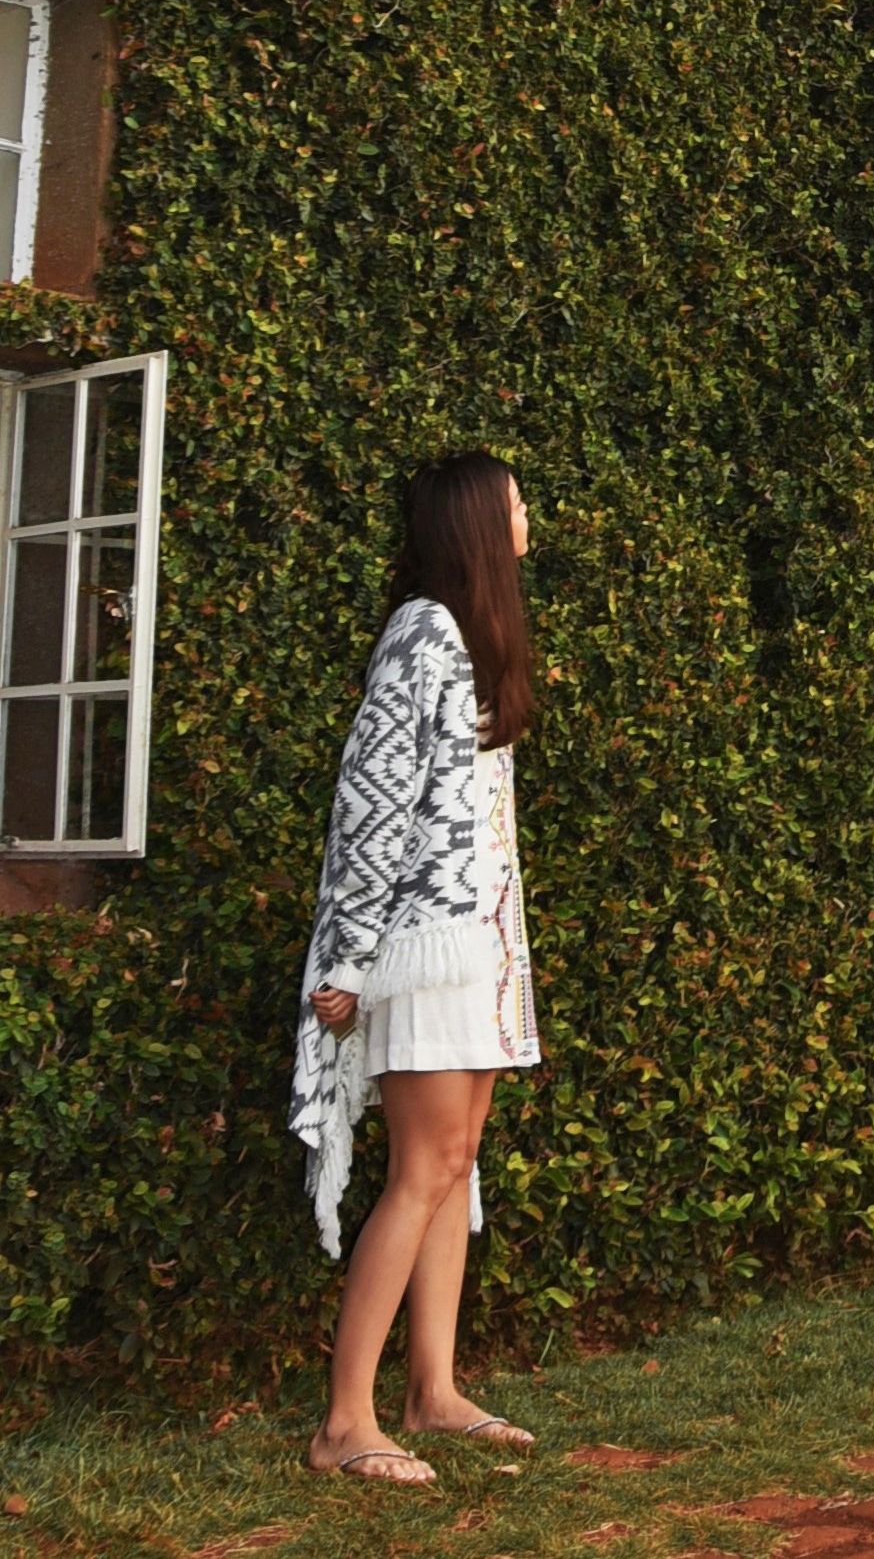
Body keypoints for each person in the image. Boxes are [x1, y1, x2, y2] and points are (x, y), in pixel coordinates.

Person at [289, 453, 543, 1484]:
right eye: (517, 502)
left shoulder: (473, 639)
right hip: (415, 957)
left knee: (455, 1163)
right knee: (423, 1169)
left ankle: (432, 1393)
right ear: (478, 522)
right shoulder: (422, 633)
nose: (530, 516)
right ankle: (344, 1422)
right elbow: (371, 804)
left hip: (476, 950)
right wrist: (351, 956)